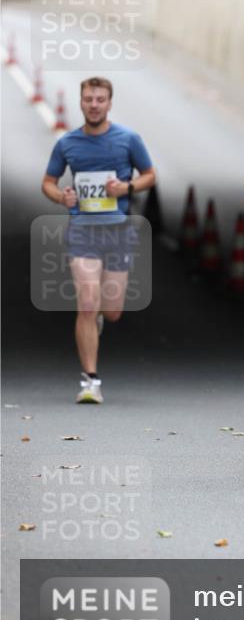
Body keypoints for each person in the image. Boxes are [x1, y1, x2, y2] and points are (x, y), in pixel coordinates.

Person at [41, 77, 156, 404]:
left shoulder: (128, 139)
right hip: (82, 230)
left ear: (108, 103)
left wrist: (127, 188)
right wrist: (60, 197)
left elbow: (150, 175)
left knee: (113, 309)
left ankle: (102, 318)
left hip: (117, 231)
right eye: (88, 99)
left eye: (100, 99)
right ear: (80, 102)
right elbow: (48, 182)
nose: (94, 104)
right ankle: (90, 380)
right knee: (87, 302)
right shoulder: (67, 143)